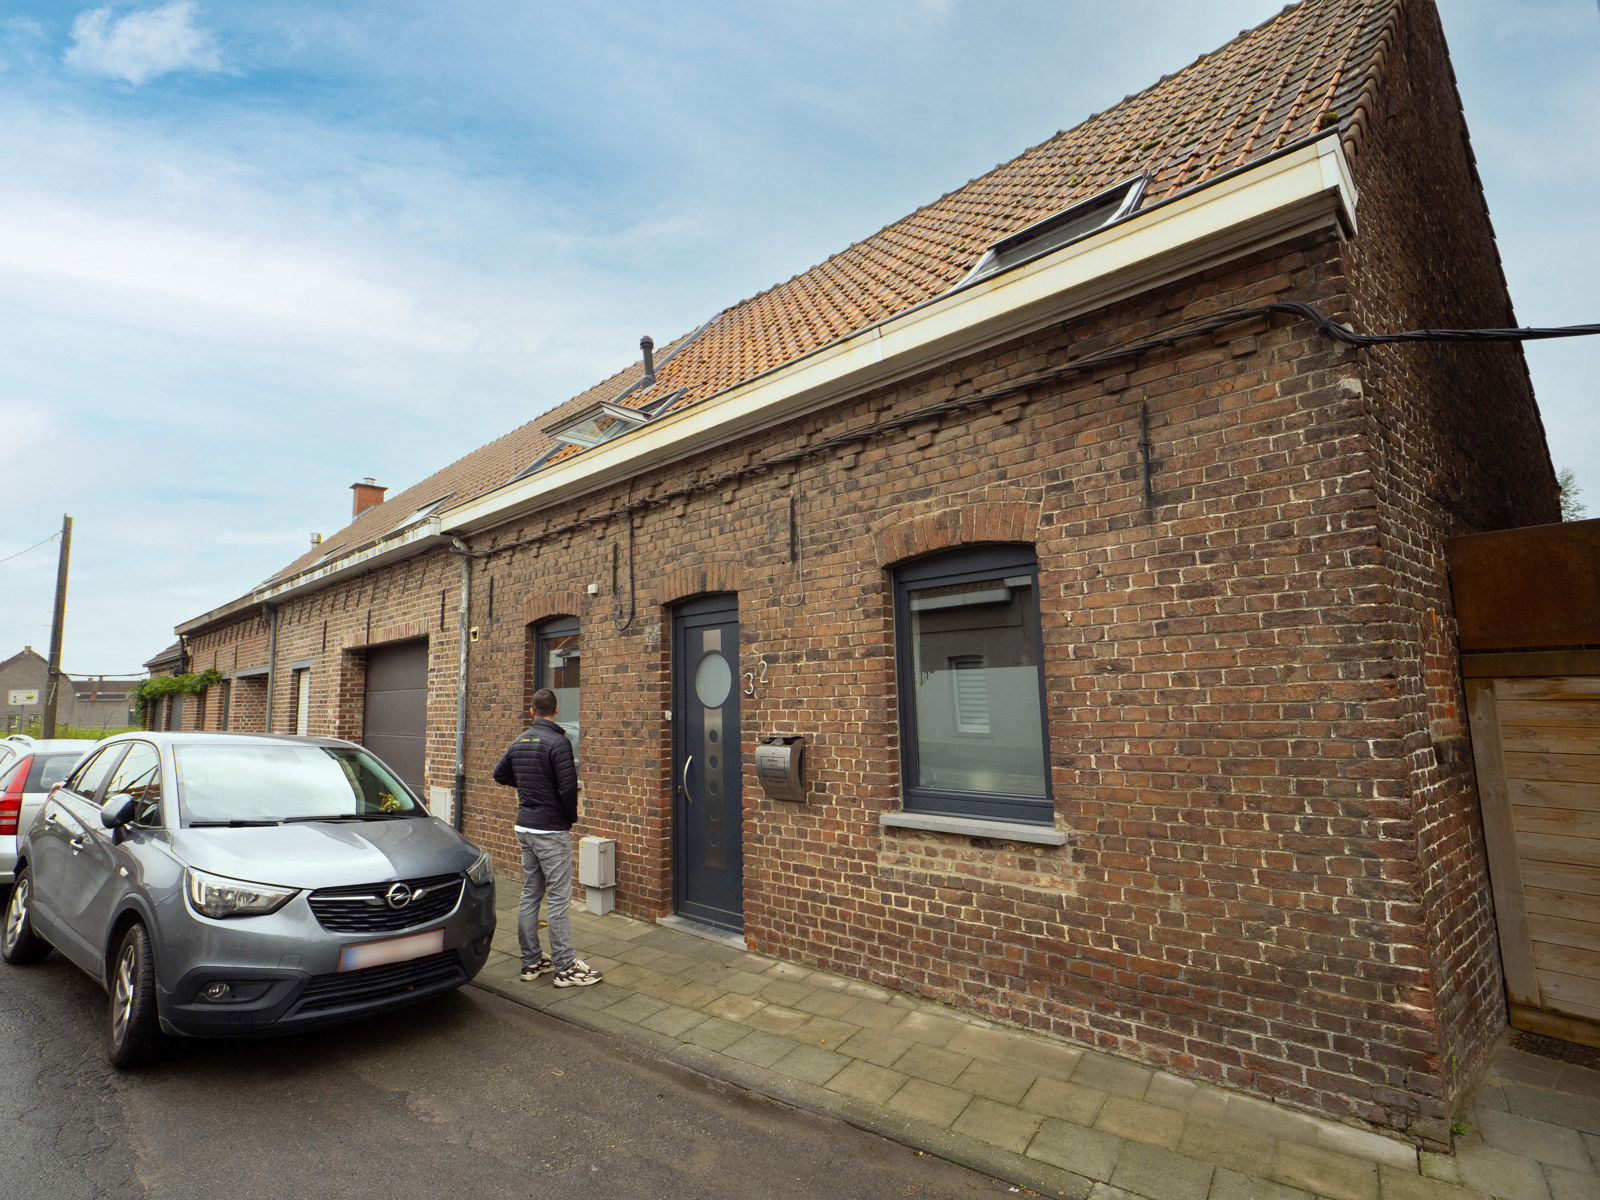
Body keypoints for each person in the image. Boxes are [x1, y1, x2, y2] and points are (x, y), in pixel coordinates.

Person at [491, 688, 602, 988]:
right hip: (551, 830)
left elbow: (499, 774)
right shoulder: (559, 742)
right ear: (555, 711)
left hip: (525, 828)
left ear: (531, 712)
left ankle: (530, 961)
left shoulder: (520, 740)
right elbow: (567, 789)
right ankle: (565, 967)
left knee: (530, 893)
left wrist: (529, 783)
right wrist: (570, 818)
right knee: (557, 898)